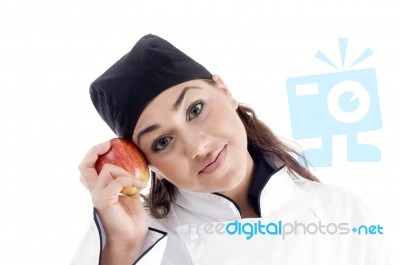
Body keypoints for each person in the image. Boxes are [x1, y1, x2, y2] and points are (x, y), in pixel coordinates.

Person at [72, 34, 390, 265]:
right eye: (163, 142)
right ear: (147, 164)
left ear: (224, 91)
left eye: (195, 109)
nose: (197, 146)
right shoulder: (142, 244)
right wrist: (121, 247)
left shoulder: (343, 213)